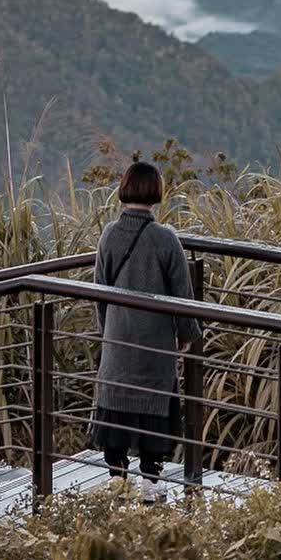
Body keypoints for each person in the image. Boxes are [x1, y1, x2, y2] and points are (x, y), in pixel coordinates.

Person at [89, 160, 200, 504]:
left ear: (124, 189)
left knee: (116, 403)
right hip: (154, 345)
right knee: (155, 405)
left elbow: (99, 291)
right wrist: (187, 335)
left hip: (118, 341)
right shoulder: (166, 240)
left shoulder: (109, 234)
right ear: (155, 193)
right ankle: (150, 480)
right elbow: (183, 297)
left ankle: (116, 477)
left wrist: (107, 332)